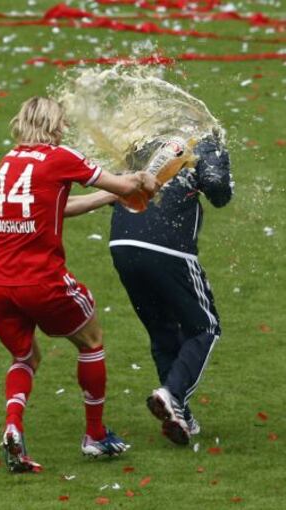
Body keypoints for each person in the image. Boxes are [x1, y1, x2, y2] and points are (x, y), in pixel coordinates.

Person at [0, 96, 159, 473]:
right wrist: (143, 180)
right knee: (91, 339)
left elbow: (57, 206)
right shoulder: (60, 156)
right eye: (61, 122)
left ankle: (13, 426)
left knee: (25, 357)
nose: (64, 127)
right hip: (41, 280)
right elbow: (125, 184)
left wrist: (110, 196)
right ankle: (95, 436)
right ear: (54, 124)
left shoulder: (8, 162)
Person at [109, 134, 233, 445]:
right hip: (168, 247)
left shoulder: (140, 142)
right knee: (205, 327)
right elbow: (218, 192)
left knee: (161, 329)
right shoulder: (204, 140)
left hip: (122, 244)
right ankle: (173, 394)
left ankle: (179, 413)